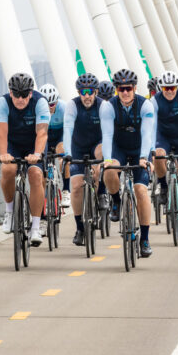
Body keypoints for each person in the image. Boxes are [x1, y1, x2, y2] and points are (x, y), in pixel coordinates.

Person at [101, 68, 155, 257]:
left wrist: (143, 158)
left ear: (134, 88)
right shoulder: (108, 106)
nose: (125, 92)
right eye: (121, 89)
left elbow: (147, 134)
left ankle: (145, 238)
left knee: (141, 191)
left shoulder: (145, 105)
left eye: (128, 89)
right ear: (116, 89)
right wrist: (107, 159)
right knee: (109, 170)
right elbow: (107, 135)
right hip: (120, 149)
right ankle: (116, 201)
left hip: (139, 149)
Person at [0, 72, 49, 246]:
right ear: (10, 93)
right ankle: (10, 212)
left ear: (31, 93)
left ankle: (35, 226)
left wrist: (37, 154)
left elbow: (42, 133)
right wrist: (4, 154)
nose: (20, 99)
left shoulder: (40, 102)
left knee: (35, 175)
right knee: (8, 169)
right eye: (16, 95)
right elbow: (2, 133)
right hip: (14, 143)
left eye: (25, 95)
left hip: (34, 144)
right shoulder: (3, 103)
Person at [150, 70, 178, 233]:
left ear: (177, 87)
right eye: (166, 88)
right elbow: (152, 125)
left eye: (172, 88)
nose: (169, 91)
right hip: (163, 137)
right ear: (161, 88)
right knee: (159, 154)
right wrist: (151, 148)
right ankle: (163, 186)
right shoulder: (155, 100)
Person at [63, 72, 104, 246]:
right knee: (76, 186)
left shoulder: (103, 106)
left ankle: (101, 193)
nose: (86, 96)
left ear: (95, 92)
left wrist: (105, 159)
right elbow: (67, 128)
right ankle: (80, 228)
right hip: (78, 147)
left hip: (97, 144)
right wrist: (68, 154)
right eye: (82, 92)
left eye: (89, 92)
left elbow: (109, 132)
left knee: (100, 161)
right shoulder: (73, 105)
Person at [40, 82, 69, 205]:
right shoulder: (37, 109)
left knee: (63, 154)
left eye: (52, 104)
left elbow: (69, 130)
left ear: (57, 102)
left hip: (59, 136)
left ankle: (67, 190)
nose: (49, 107)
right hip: (45, 134)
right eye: (46, 105)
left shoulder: (64, 108)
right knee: (41, 160)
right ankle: (43, 195)